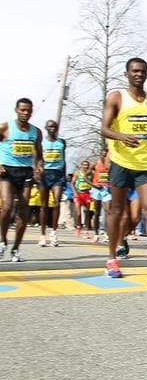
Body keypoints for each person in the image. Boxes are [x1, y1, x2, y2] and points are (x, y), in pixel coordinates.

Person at [100, 57, 147, 281]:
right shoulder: (116, 97)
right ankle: (112, 259)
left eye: (142, 71)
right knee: (116, 211)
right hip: (121, 163)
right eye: (134, 71)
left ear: (146, 73)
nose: (138, 74)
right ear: (127, 74)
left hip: (146, 164)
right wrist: (121, 136)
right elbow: (103, 128)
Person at [0, 97, 43, 262]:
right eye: (23, 110)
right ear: (16, 110)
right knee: (7, 207)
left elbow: (39, 155)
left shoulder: (36, 132)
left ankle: (16, 248)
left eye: (29, 111)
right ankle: (3, 241)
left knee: (23, 213)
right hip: (7, 171)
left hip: (25, 172)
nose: (26, 113)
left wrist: (39, 166)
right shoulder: (5, 127)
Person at [38, 119, 66, 247]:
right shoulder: (41, 143)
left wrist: (64, 175)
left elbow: (63, 159)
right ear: (46, 128)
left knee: (56, 203)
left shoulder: (62, 143)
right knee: (43, 206)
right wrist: (38, 170)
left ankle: (53, 233)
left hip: (57, 175)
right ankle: (43, 235)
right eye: (50, 127)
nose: (52, 128)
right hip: (45, 174)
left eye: (54, 126)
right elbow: (37, 158)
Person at [90, 149, 112, 242]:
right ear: (99, 155)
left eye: (105, 156)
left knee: (108, 212)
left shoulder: (110, 165)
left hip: (107, 189)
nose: (104, 157)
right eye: (102, 155)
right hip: (97, 189)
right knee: (97, 213)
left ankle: (107, 234)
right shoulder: (96, 163)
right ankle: (96, 233)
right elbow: (85, 175)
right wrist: (93, 184)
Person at [71, 160, 95, 238]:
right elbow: (72, 183)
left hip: (87, 194)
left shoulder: (91, 174)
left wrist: (92, 194)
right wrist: (74, 193)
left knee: (87, 213)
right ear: (81, 165)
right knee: (78, 213)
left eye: (87, 165)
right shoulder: (77, 172)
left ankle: (87, 230)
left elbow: (93, 183)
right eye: (84, 165)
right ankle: (78, 227)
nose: (86, 166)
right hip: (78, 193)